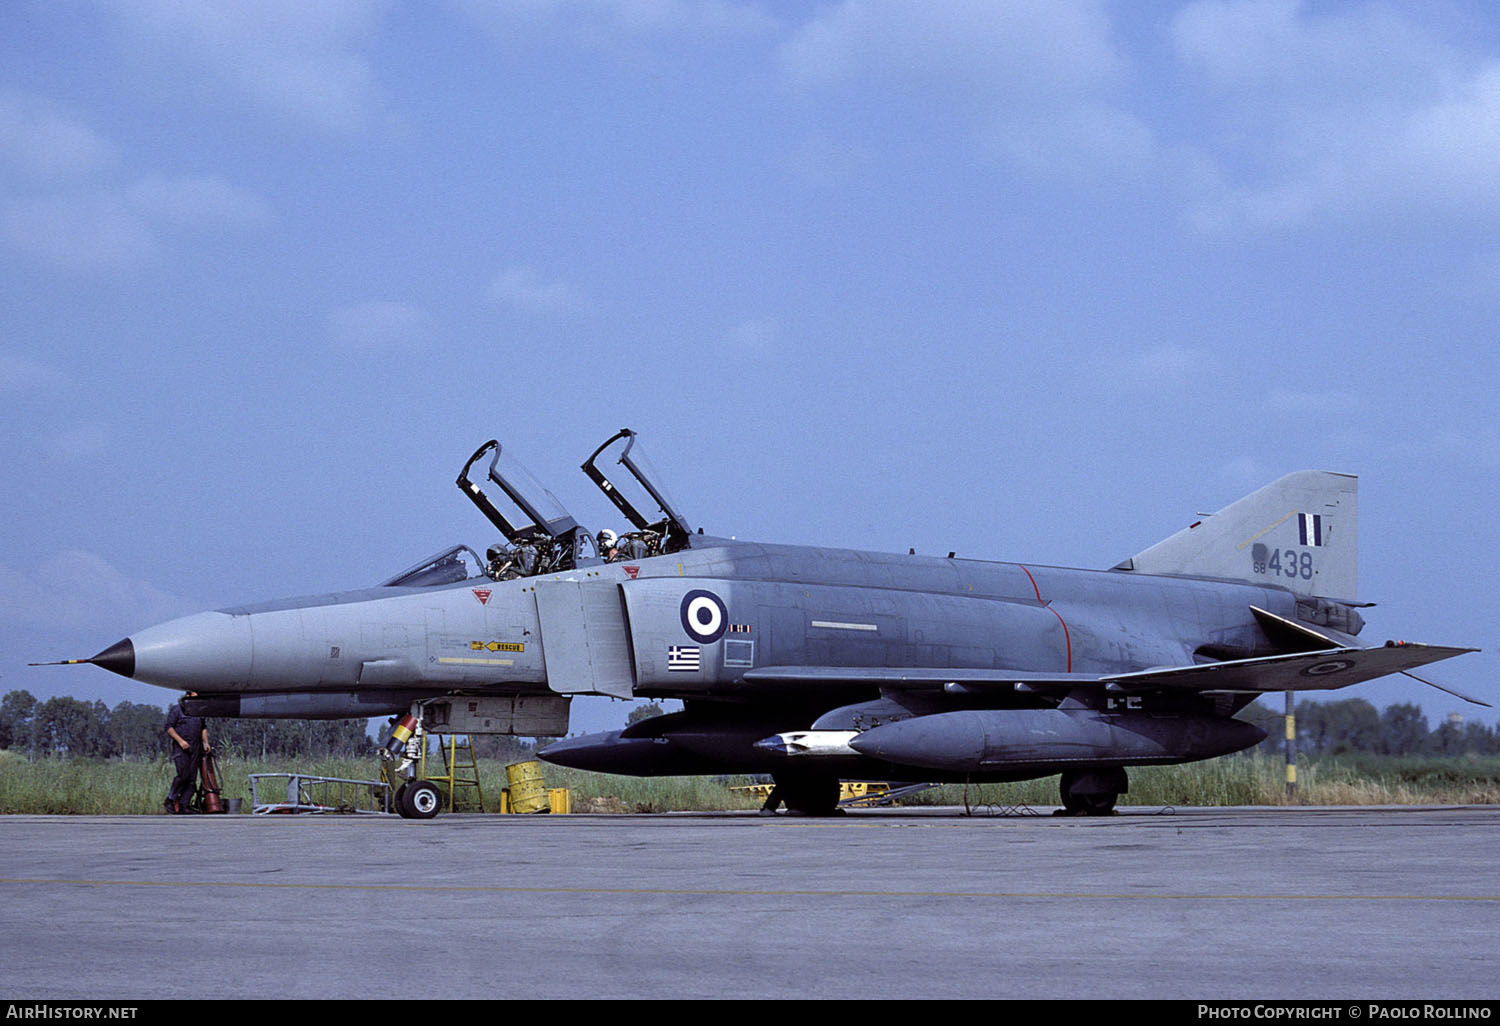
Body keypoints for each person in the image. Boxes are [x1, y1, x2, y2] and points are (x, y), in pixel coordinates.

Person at [164, 692, 210, 814]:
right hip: (181, 748)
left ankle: (184, 805)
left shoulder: (199, 711)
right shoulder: (177, 710)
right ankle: (170, 799)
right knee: (183, 775)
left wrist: (206, 743)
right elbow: (169, 728)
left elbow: (203, 728)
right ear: (187, 696)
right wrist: (180, 741)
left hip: (196, 747)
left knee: (192, 779)